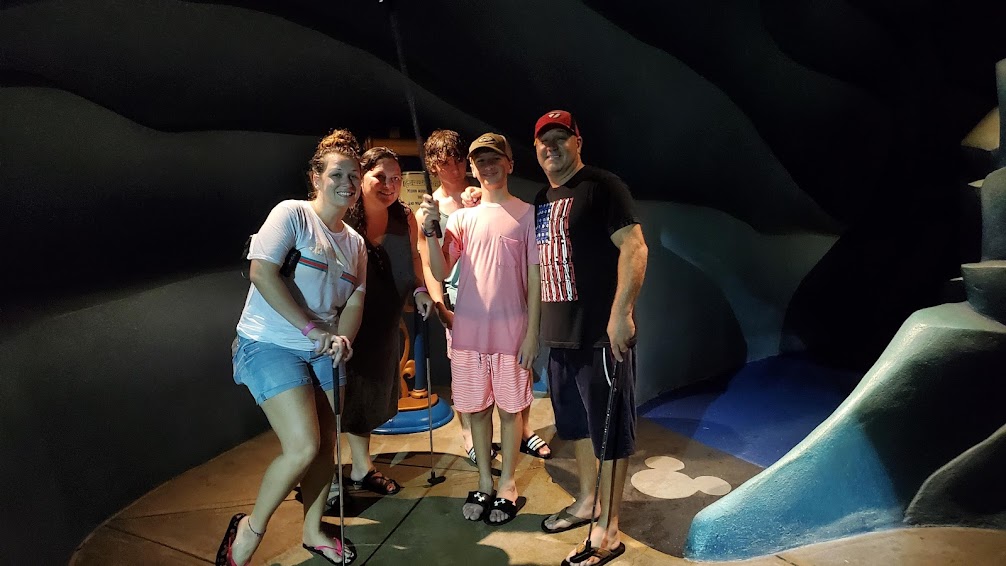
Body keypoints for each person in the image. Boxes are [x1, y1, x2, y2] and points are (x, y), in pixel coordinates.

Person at [217, 129, 367, 566]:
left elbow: (355, 300)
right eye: (337, 174)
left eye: (354, 176)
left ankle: (313, 529)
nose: (347, 183)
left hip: (323, 350)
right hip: (269, 343)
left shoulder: (355, 243)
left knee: (326, 446)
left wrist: (343, 338)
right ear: (316, 178)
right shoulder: (293, 214)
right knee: (303, 445)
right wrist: (309, 328)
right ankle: (250, 530)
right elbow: (261, 273)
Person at [532, 111, 648, 566]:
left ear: (577, 141)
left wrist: (621, 314)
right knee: (576, 427)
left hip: (599, 336)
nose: (551, 147)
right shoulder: (542, 197)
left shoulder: (602, 186)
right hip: (559, 337)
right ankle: (587, 502)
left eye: (560, 138)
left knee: (609, 431)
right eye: (544, 140)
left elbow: (634, 247)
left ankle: (609, 530)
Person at [418, 133, 540, 524]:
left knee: (511, 411)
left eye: (494, 159)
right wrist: (431, 231)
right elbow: (441, 269)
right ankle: (485, 481)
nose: (488, 167)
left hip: (511, 333)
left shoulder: (527, 214)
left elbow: (535, 279)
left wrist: (533, 333)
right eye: (480, 161)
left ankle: (508, 484)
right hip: (468, 335)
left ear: (509, 163)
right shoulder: (461, 219)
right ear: (473, 168)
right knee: (477, 410)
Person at [332, 147, 434, 502]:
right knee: (332, 401)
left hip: (382, 324)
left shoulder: (403, 216)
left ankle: (361, 467)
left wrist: (420, 289)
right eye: (380, 177)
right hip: (342, 325)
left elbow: (414, 257)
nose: (389, 185)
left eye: (396, 179)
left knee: (366, 400)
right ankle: (323, 475)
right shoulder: (343, 215)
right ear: (362, 176)